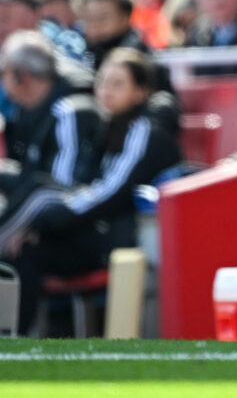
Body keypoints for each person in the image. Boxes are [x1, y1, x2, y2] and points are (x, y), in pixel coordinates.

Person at [0, 47, 181, 334]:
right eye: (103, 82)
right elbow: (83, 185)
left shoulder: (144, 130)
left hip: (116, 240)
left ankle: (14, 334)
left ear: (140, 92)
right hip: (92, 230)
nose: (106, 91)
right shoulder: (108, 126)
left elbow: (110, 193)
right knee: (28, 239)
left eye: (118, 84)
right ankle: (13, 335)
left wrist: (48, 220)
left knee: (40, 202)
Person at [0, 30, 99, 195]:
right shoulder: (29, 107)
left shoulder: (71, 111)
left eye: (4, 72)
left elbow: (59, 192)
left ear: (21, 76)